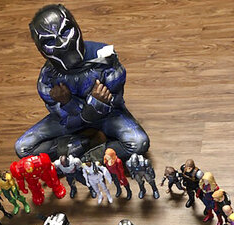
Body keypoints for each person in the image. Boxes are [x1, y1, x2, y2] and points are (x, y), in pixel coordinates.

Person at [15, 4, 148, 161]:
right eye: (50, 41)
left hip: (109, 117)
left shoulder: (105, 57)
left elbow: (113, 103)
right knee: (22, 147)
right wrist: (93, 103)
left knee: (139, 142)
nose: (62, 43)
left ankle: (82, 154)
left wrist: (69, 103)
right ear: (40, 49)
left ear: (76, 26)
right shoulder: (47, 79)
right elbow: (66, 119)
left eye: (65, 32)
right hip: (72, 123)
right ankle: (84, 145)